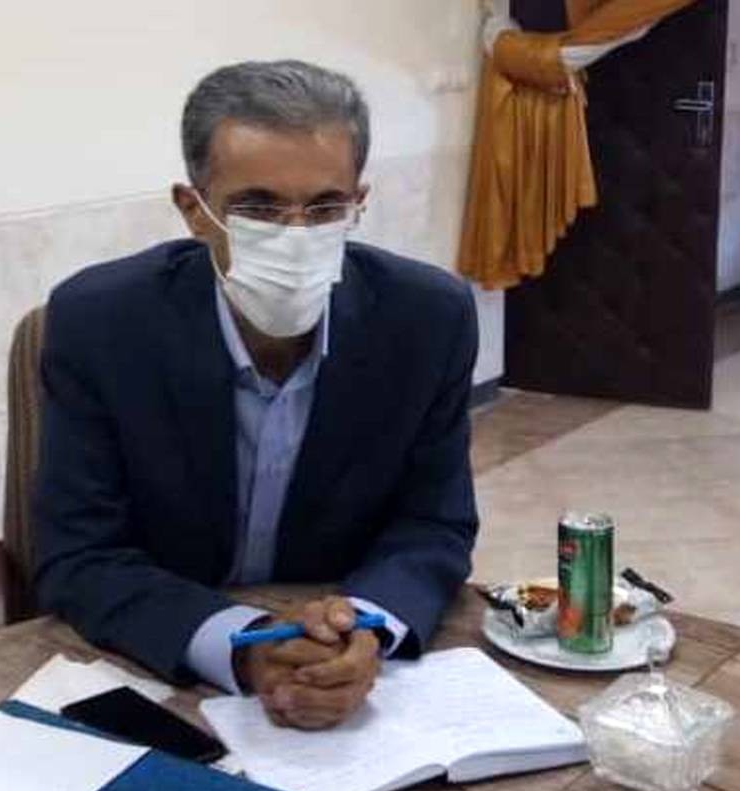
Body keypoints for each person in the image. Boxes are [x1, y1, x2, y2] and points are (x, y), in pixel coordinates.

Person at [34, 59, 478, 730]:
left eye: (325, 207)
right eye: (258, 208)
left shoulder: (426, 319)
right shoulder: (100, 323)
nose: (295, 235)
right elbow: (80, 553)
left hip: (344, 647)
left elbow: (434, 524)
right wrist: (241, 644)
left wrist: (366, 627)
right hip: (154, 664)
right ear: (195, 210)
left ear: (358, 202)